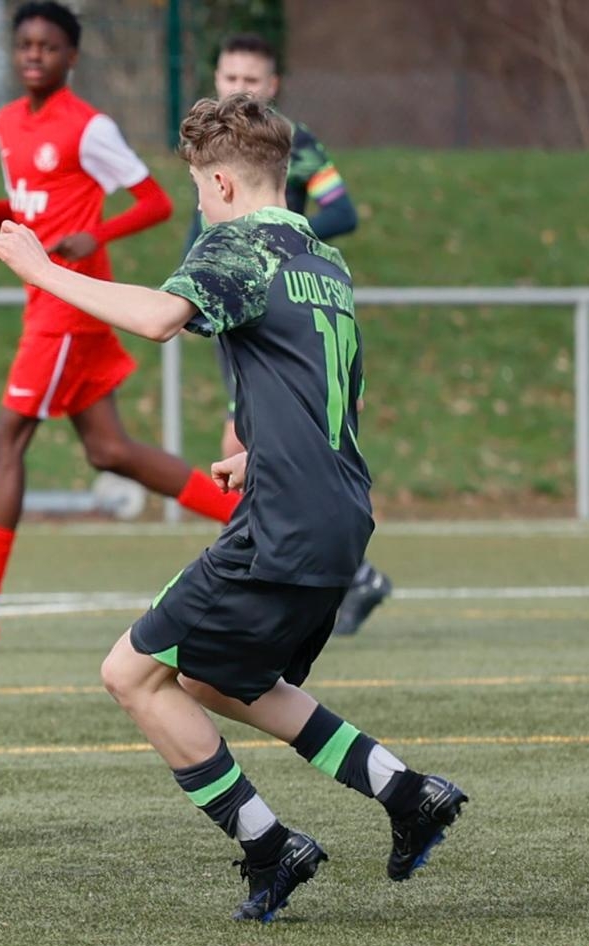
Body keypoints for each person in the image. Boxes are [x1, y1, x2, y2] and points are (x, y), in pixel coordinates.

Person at [0, 93, 467, 921]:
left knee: (129, 673)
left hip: (284, 517)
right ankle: (406, 790)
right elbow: (336, 390)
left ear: (223, 184)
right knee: (218, 676)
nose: (200, 207)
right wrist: (258, 453)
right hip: (340, 507)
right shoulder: (324, 258)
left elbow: (158, 318)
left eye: (199, 191)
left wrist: (43, 271)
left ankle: (270, 846)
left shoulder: (241, 244)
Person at [0, 1, 238, 653]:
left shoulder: (89, 128)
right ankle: (252, 521)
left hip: (68, 306)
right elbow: (28, 207)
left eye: (48, 46)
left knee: (4, 441)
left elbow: (156, 202)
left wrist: (95, 235)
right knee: (110, 450)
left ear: (71, 57)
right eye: (24, 44)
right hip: (52, 301)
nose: (34, 55)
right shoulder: (6, 122)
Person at [192, 33, 389, 636]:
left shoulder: (293, 145)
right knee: (245, 445)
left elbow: (341, 209)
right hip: (240, 311)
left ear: (272, 86)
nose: (239, 88)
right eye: (230, 78)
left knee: (252, 439)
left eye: (250, 80)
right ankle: (284, 569)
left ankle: (263, 575)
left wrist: (283, 242)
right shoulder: (216, 149)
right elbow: (200, 237)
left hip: (282, 313)